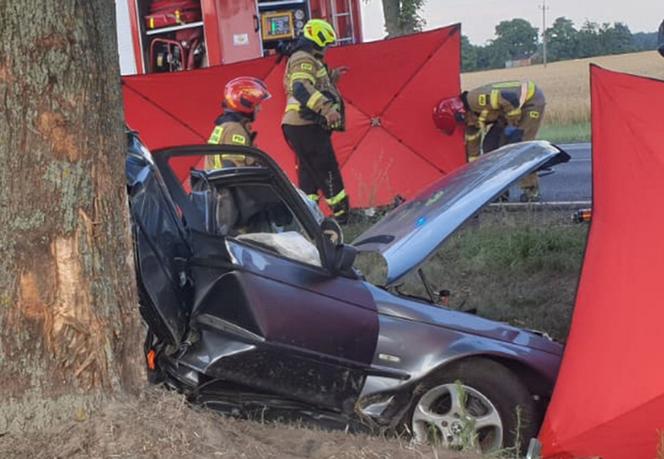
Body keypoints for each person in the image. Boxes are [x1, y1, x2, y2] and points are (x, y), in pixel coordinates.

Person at [281, 18, 350, 224]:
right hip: (306, 125)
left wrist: (331, 78)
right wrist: (327, 109)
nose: (327, 50)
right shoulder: (304, 57)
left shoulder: (305, 57)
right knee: (326, 168)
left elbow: (310, 82)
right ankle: (342, 216)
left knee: (309, 172)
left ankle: (309, 217)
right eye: (326, 45)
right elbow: (301, 87)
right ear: (318, 41)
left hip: (299, 126)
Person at [433, 81, 546, 202]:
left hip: (529, 101)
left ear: (461, 112)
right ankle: (500, 191)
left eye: (463, 120)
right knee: (490, 145)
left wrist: (512, 124)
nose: (466, 124)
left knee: (520, 145)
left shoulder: (476, 100)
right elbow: (473, 153)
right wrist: (474, 173)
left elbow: (509, 98)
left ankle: (531, 191)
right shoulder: (470, 121)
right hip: (507, 113)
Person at [207, 76, 271, 169]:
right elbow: (233, 168)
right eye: (257, 105)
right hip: (229, 183)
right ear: (245, 104)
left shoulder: (226, 125)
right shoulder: (235, 129)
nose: (260, 109)